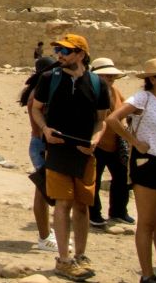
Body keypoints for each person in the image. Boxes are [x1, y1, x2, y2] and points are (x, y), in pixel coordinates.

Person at [32, 34, 110, 282]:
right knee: (62, 204)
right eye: (58, 50)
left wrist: (96, 139)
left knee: (83, 205)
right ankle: (64, 259)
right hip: (57, 150)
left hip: (85, 152)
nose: (59, 55)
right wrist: (44, 130)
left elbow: (102, 118)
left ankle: (81, 254)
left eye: (65, 51)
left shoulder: (98, 84)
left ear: (80, 54)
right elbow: (36, 108)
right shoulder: (49, 79)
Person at [107, 58, 156, 283]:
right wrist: (134, 141)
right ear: (153, 79)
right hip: (147, 162)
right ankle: (147, 274)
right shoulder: (143, 98)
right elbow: (113, 119)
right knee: (147, 222)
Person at [21, 55, 60, 252]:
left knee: (44, 191)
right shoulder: (39, 95)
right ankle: (44, 237)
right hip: (41, 144)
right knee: (42, 192)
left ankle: (47, 233)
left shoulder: (37, 91)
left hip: (40, 143)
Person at [89, 58, 133, 228]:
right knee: (94, 181)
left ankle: (118, 212)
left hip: (116, 143)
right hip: (97, 143)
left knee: (122, 179)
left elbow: (124, 109)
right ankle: (94, 214)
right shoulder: (92, 92)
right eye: (107, 76)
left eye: (112, 76)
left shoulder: (115, 91)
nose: (111, 79)